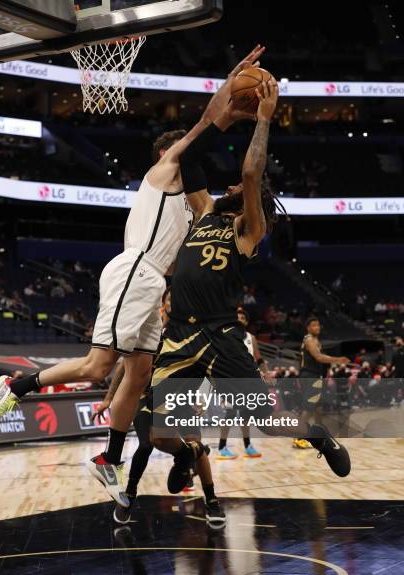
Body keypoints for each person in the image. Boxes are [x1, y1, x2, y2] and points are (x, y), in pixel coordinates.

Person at [0, 45, 266, 507]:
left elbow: (227, 190)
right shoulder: (166, 170)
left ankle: (110, 458)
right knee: (98, 366)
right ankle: (14, 387)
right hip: (135, 270)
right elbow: (203, 126)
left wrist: (238, 118)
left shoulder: (197, 203)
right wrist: (230, 87)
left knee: (139, 375)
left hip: (152, 283)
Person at [147, 79, 351, 496]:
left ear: (247, 201)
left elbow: (251, 171)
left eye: (236, 191)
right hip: (179, 335)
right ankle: (186, 454)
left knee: (265, 421)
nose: (230, 188)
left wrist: (263, 119)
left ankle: (318, 436)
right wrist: (221, 107)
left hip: (220, 334)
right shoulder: (204, 212)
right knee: (158, 435)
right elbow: (190, 160)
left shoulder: (247, 231)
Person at [94, 287, 225, 527]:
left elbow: (209, 369)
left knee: (197, 445)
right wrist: (108, 398)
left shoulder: (195, 335)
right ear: (164, 304)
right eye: (171, 299)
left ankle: (212, 501)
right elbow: (124, 366)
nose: (175, 303)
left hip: (181, 398)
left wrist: (203, 398)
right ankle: (130, 494)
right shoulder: (152, 330)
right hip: (146, 396)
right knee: (148, 442)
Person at [217, 307, 269, 459]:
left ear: (246, 322)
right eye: (237, 317)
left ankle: (247, 446)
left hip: (249, 382)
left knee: (246, 415)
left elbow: (258, 358)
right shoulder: (227, 336)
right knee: (230, 413)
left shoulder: (250, 337)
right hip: (231, 381)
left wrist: (266, 372)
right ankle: (221, 447)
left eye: (243, 318)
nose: (240, 320)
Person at [292, 317, 349, 449]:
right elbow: (318, 357)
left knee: (317, 407)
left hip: (314, 375)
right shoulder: (309, 339)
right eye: (313, 325)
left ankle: (320, 434)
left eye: (318, 325)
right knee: (309, 407)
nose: (317, 327)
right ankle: (298, 437)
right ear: (308, 328)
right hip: (310, 376)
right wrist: (338, 359)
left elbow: (320, 358)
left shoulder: (316, 340)